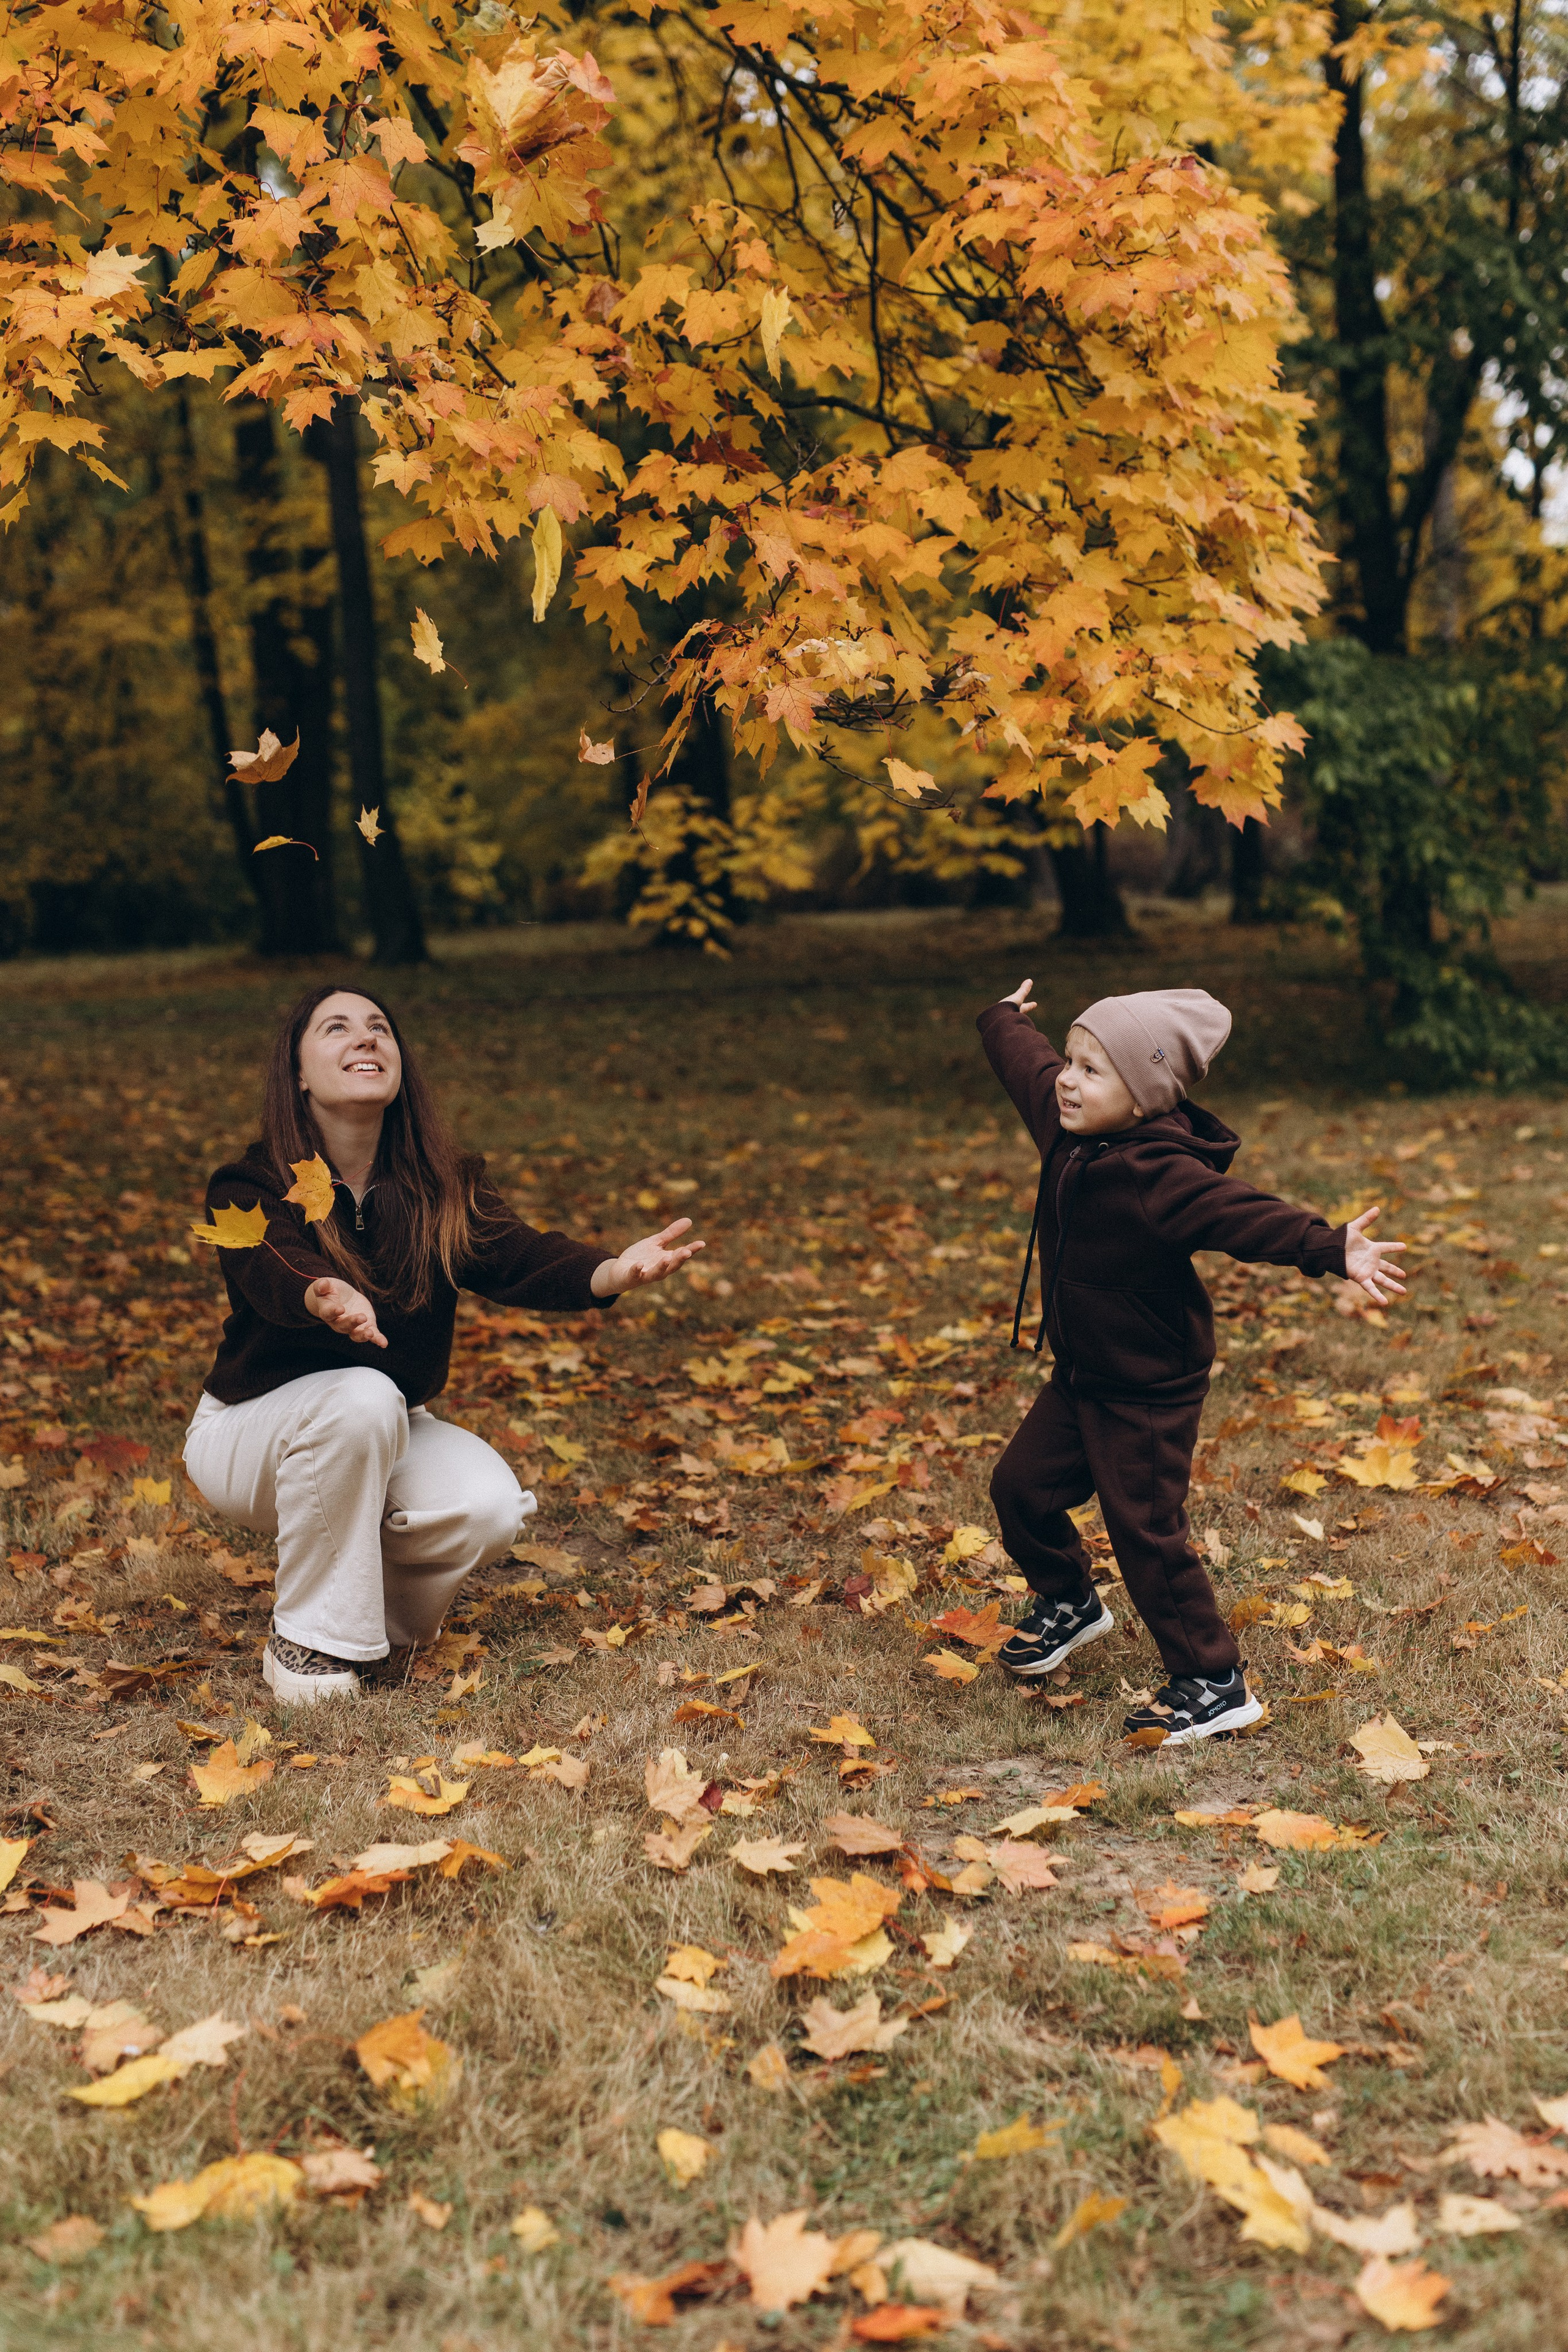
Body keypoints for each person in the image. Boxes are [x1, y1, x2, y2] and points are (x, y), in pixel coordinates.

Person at [183, 985, 703, 1705]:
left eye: (379, 1027)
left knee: (487, 1508)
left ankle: (374, 1631)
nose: (366, 1038)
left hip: (383, 1423)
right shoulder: (251, 1183)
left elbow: (519, 1256)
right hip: (250, 1432)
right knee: (362, 1397)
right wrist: (320, 1293)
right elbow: (272, 1265)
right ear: (298, 1074)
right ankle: (306, 1640)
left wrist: (613, 1271)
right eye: (337, 1028)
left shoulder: (441, 1185)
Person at [978, 981, 1405, 1745]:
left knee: (1144, 1531)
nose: (1067, 1081)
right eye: (1071, 1061)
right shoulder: (1068, 1127)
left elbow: (1242, 1216)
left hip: (1148, 1387)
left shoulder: (1161, 1176)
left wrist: (1329, 1246)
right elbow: (1026, 1066)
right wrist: (1002, 1018)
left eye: (1091, 1070)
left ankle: (1212, 1682)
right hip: (1082, 1374)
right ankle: (1070, 1601)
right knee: (1020, 1488)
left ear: (1141, 1098)